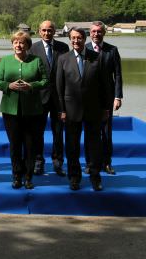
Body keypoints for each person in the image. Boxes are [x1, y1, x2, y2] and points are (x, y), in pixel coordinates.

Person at [56, 27, 109, 191]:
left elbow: (105, 85)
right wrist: (61, 110)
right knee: (72, 147)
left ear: (84, 39)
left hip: (93, 110)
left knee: (94, 146)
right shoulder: (63, 59)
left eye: (79, 38)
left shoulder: (97, 58)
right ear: (69, 39)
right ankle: (74, 178)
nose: (76, 41)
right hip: (71, 110)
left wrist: (106, 108)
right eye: (73, 38)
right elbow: (59, 87)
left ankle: (95, 178)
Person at [0, 31, 48, 189]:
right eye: (15, 42)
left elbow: (45, 81)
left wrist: (32, 86)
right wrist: (8, 86)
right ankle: (17, 175)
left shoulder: (36, 61)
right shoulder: (5, 61)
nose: (18, 45)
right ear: (12, 45)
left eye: (22, 42)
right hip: (10, 110)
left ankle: (29, 176)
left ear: (28, 45)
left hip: (32, 110)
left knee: (30, 145)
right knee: (15, 144)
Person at [29, 20, 70, 176]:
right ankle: (38, 162)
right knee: (37, 132)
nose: (47, 33)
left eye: (50, 30)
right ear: (39, 32)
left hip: (59, 98)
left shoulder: (63, 47)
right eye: (44, 30)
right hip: (39, 97)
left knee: (58, 132)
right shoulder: (33, 48)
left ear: (54, 31)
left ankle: (58, 162)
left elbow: (67, 72)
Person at [87, 21, 123, 175]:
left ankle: (107, 163)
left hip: (107, 98)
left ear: (104, 33)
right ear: (90, 33)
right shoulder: (84, 48)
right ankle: (90, 163)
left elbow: (118, 75)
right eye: (94, 31)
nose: (96, 34)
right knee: (90, 132)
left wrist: (118, 96)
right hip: (88, 98)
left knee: (107, 132)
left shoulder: (112, 50)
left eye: (99, 31)